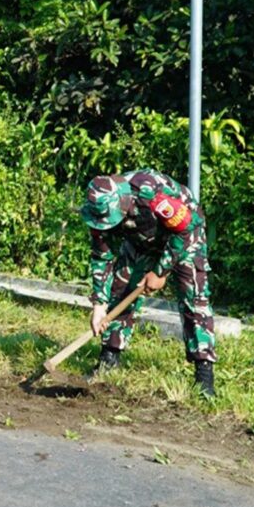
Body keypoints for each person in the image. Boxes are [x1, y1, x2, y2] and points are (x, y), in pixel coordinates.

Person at [81, 169, 216, 396]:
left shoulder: (151, 194)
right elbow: (101, 257)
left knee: (193, 298)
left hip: (184, 235)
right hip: (141, 240)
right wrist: (99, 305)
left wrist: (160, 272)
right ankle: (109, 359)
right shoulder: (97, 210)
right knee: (120, 289)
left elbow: (185, 228)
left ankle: (204, 377)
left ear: (123, 203)